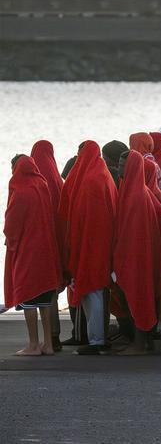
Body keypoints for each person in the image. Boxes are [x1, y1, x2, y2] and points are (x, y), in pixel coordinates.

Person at [58, 141, 117, 355]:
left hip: (91, 245)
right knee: (98, 291)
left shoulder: (91, 180)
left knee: (91, 291)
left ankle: (96, 340)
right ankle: (98, 338)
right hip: (101, 244)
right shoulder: (103, 175)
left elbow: (83, 218)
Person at [4, 155, 63, 356]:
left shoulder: (20, 190)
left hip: (28, 249)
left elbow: (12, 223)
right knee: (45, 297)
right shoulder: (42, 185)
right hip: (46, 248)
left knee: (28, 296)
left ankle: (33, 344)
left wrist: (10, 241)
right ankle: (48, 343)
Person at [113, 151, 161, 355]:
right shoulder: (137, 190)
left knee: (138, 297)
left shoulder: (137, 196)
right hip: (138, 255)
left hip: (136, 257)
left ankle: (140, 344)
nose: (119, 169)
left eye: (123, 165)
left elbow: (134, 233)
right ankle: (145, 341)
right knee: (140, 297)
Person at [29, 140, 64, 351]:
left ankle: (49, 337)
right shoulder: (57, 179)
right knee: (53, 289)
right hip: (58, 241)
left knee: (42, 289)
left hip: (40, 242)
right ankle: (55, 337)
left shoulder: (35, 180)